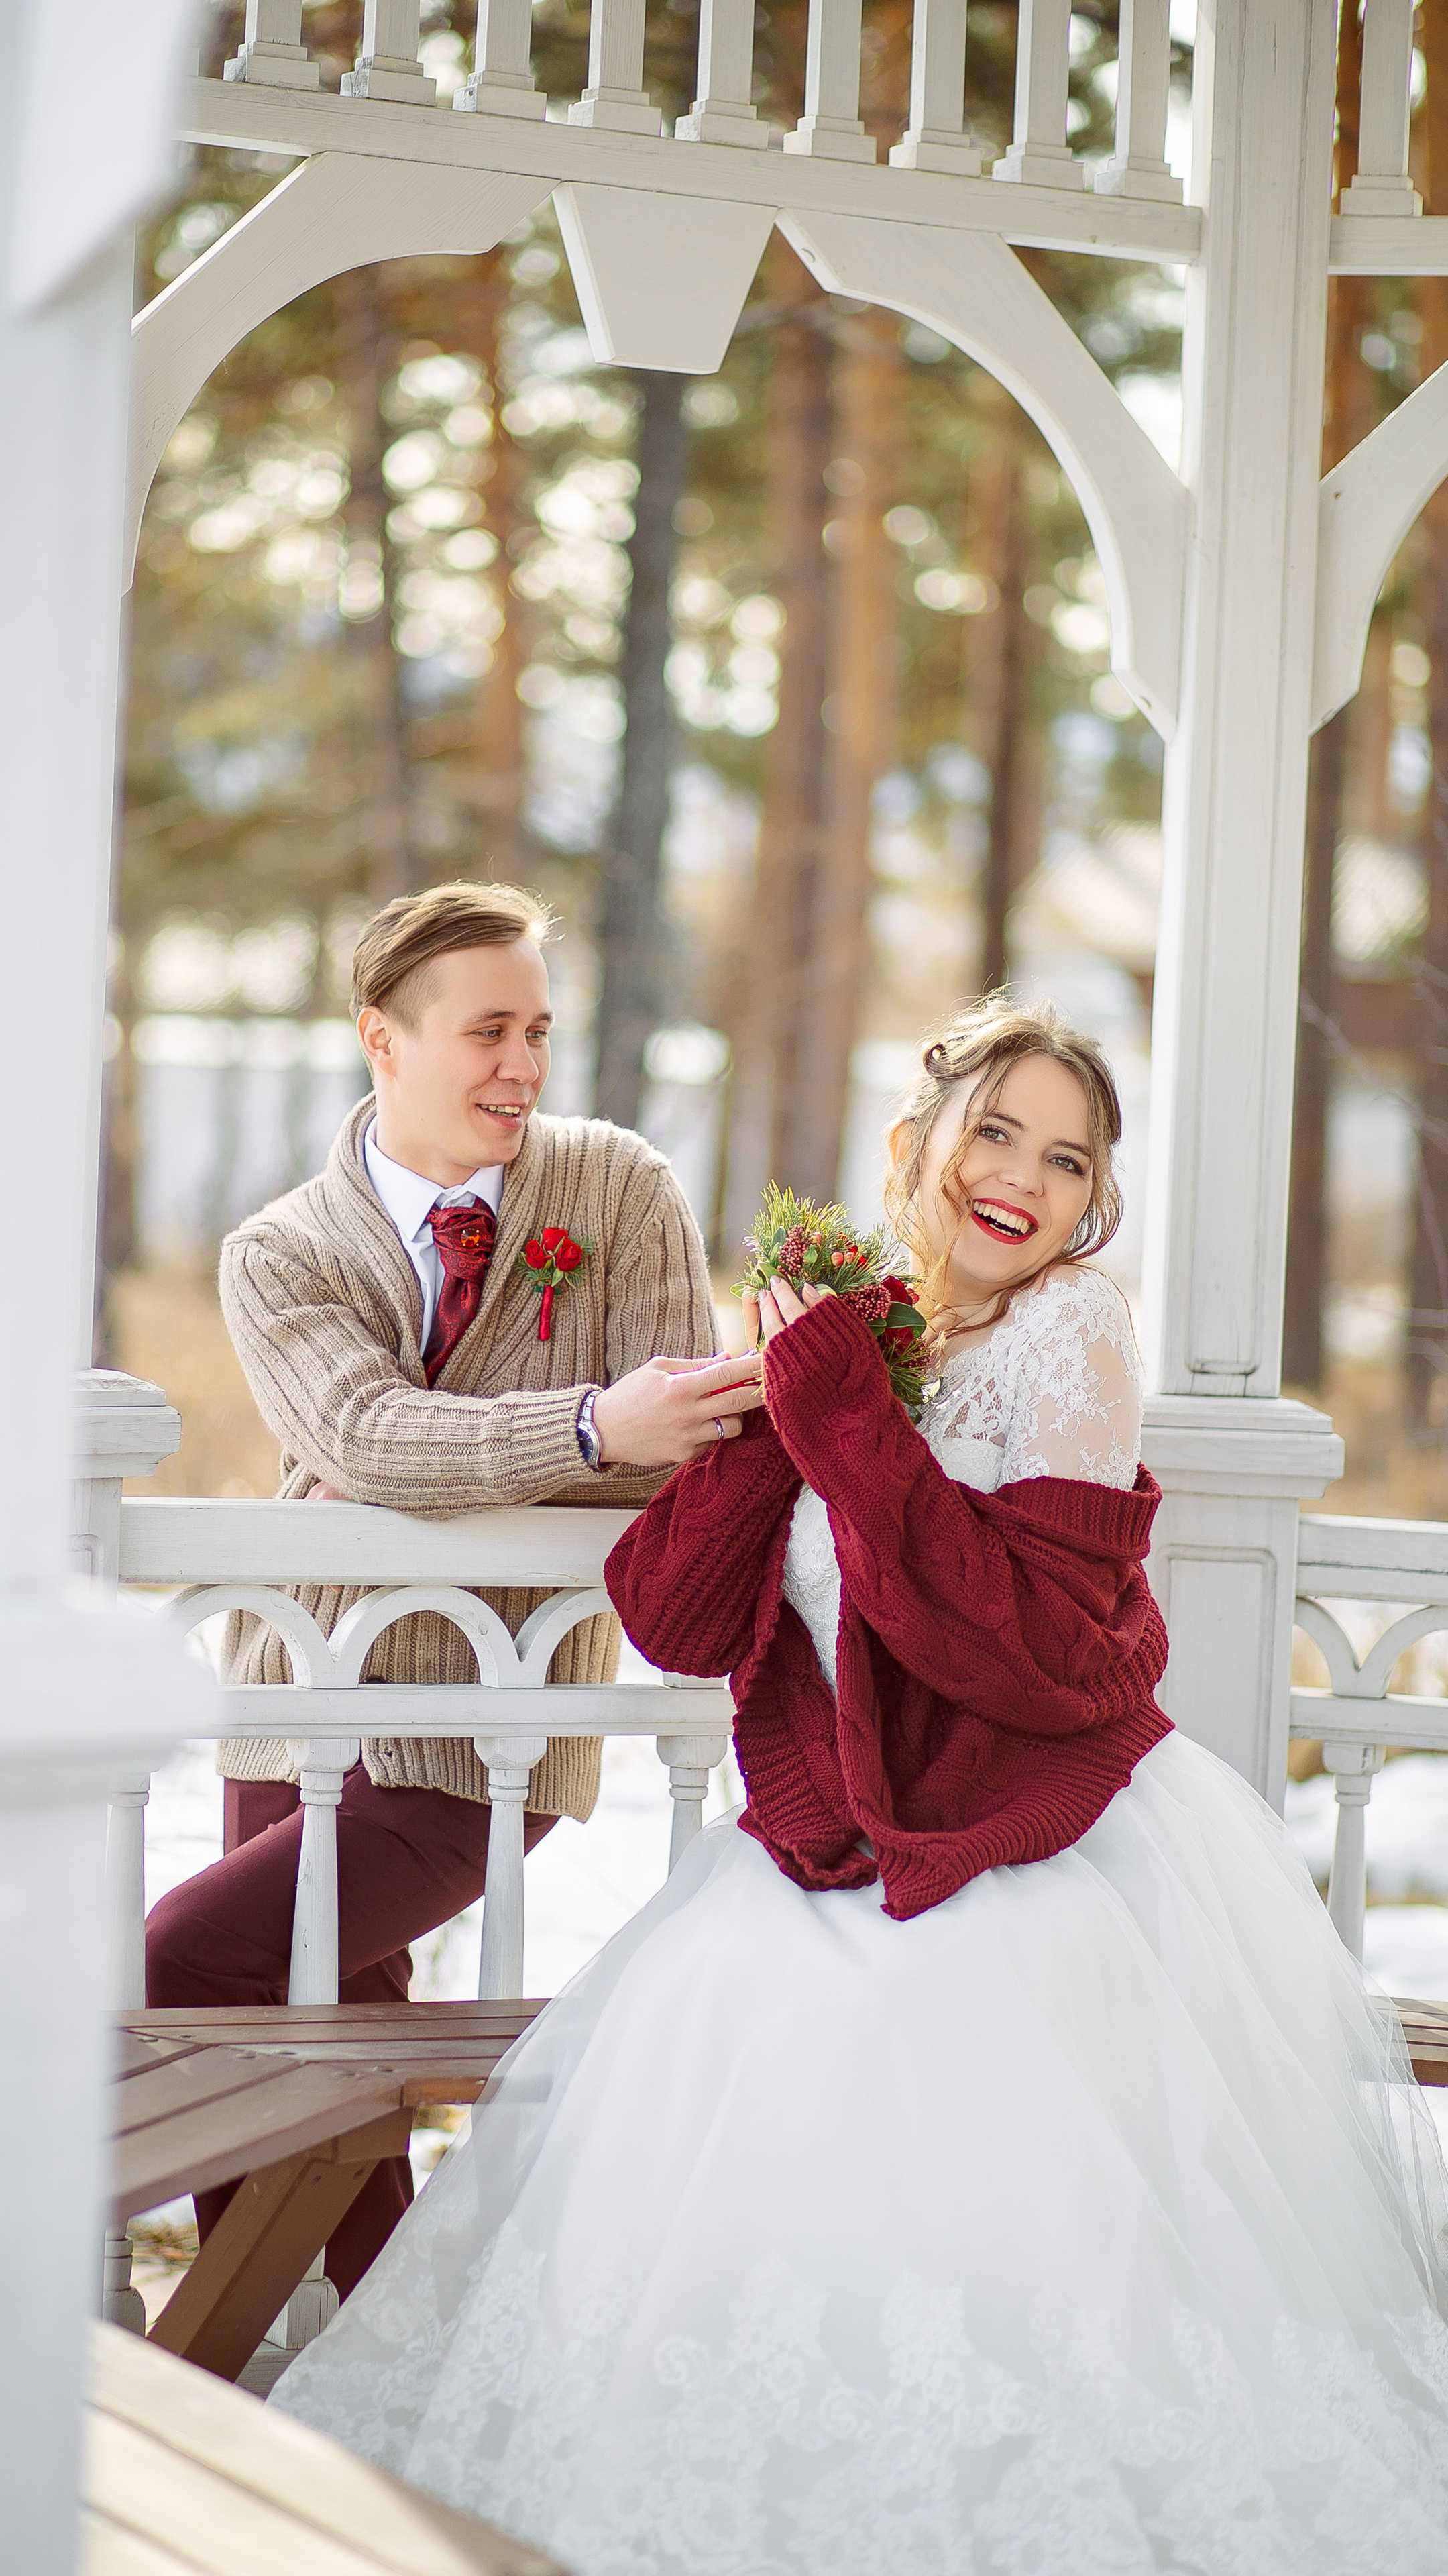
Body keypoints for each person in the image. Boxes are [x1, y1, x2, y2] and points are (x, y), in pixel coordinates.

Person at [268, 995, 1448, 2572]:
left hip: (1033, 1835)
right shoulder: (850, 1322)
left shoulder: (1073, 1333)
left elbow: (1019, 1645)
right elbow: (676, 1617)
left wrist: (837, 1411)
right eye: (996, 1131)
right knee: (706, 2026)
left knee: (901, 2028)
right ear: (918, 1142)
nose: (1021, 1177)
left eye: (1068, 1158)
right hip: (836, 1831)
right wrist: (774, 1400)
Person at [144, 879, 757, 2295]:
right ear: (382, 1038)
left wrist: (462, 1464)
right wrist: (588, 1424)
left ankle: (292, 2360)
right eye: (488, 1032)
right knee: (303, 2055)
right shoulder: (280, 1252)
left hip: (493, 1724)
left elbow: (689, 1458)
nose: (524, 1067)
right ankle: (364, 2379)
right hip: (297, 1696)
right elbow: (356, 1432)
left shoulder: (617, 1188)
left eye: (538, 1030)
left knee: (183, 1962)